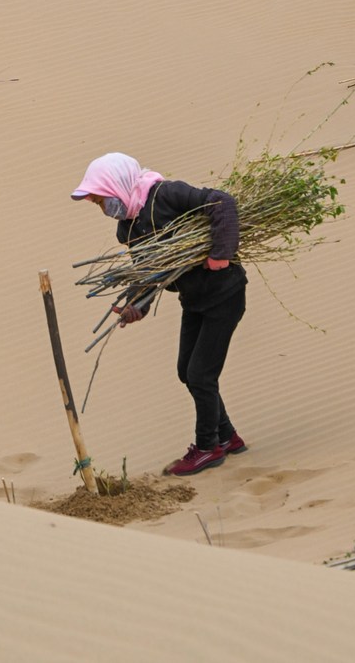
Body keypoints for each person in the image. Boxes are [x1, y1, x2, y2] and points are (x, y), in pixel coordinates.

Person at [71, 151, 248, 477]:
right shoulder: (128, 229)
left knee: (200, 375)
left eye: (101, 200)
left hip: (225, 294)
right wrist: (136, 307)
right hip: (194, 300)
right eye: (97, 204)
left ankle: (208, 447)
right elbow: (150, 273)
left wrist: (221, 253)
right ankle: (228, 437)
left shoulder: (165, 194)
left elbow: (222, 203)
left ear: (117, 185)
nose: (102, 209)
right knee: (187, 371)